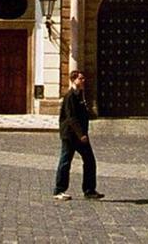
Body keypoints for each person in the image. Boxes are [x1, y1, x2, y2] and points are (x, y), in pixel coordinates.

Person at [54, 69, 102, 200]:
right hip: (70, 135)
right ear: (73, 80)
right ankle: (59, 190)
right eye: (81, 78)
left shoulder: (80, 94)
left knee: (90, 161)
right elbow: (71, 118)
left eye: (83, 78)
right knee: (65, 161)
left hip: (80, 135)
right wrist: (81, 134)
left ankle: (89, 190)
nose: (83, 80)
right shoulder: (70, 96)